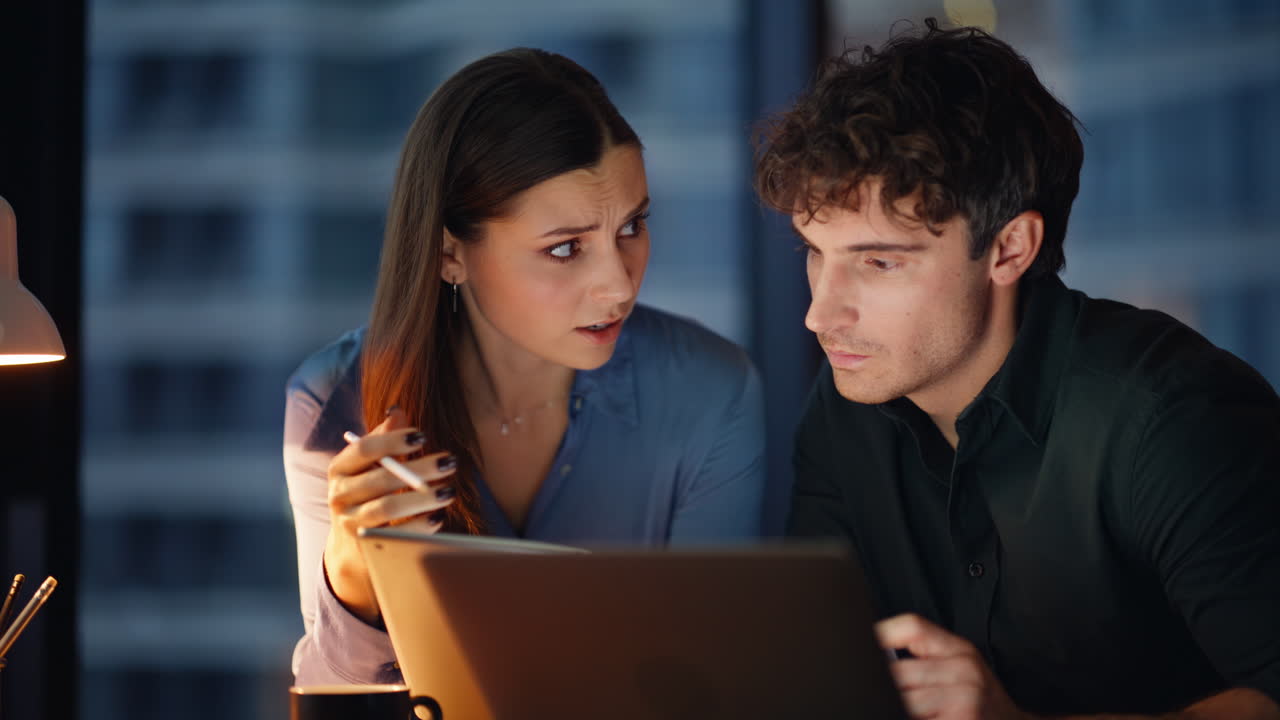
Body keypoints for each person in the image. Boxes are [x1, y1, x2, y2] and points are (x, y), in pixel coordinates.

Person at [754, 18, 1280, 720]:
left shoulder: (1172, 416)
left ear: (1009, 248)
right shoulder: (849, 404)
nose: (821, 315)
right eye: (815, 254)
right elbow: (812, 667)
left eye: (878, 262)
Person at [284, 48, 765, 685]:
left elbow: (713, 677)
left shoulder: (709, 393)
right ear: (449, 254)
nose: (619, 285)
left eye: (632, 227)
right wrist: (350, 577)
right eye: (565, 249)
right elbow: (336, 698)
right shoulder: (335, 401)